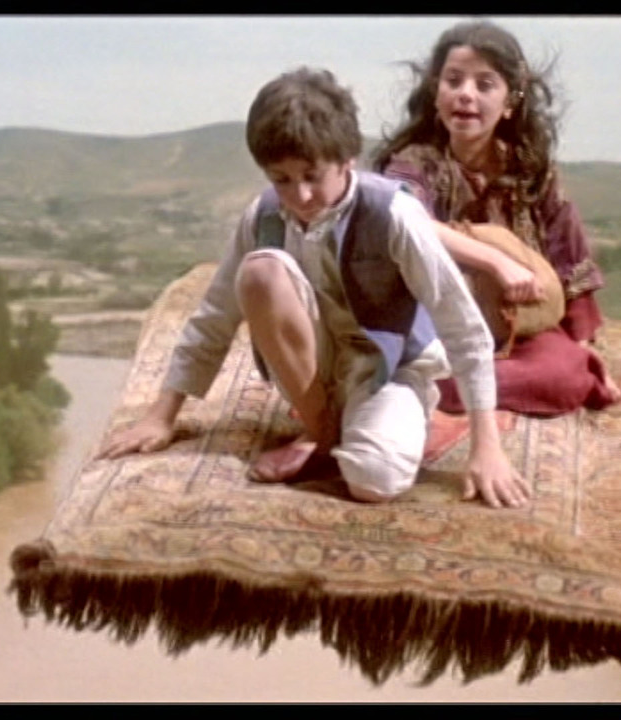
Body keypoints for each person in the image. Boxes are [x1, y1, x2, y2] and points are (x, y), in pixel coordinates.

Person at [97, 67, 529, 508]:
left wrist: (486, 447)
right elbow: (215, 315)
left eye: (312, 176)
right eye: (281, 179)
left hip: (388, 365)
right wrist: (162, 416)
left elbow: (461, 324)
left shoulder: (394, 214)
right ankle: (322, 433)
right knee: (260, 273)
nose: (299, 195)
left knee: (374, 482)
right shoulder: (264, 215)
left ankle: (380, 422)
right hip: (312, 367)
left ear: (347, 159)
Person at [372, 20, 621, 417]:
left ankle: (452, 388)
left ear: (510, 102)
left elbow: (569, 260)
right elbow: (400, 218)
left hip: (515, 328)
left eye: (484, 84)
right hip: (433, 326)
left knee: (563, 376)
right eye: (453, 80)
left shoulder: (531, 171)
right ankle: (438, 384)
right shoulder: (414, 164)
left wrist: (580, 348)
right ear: (436, 93)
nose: (465, 94)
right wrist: (496, 261)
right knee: (406, 359)